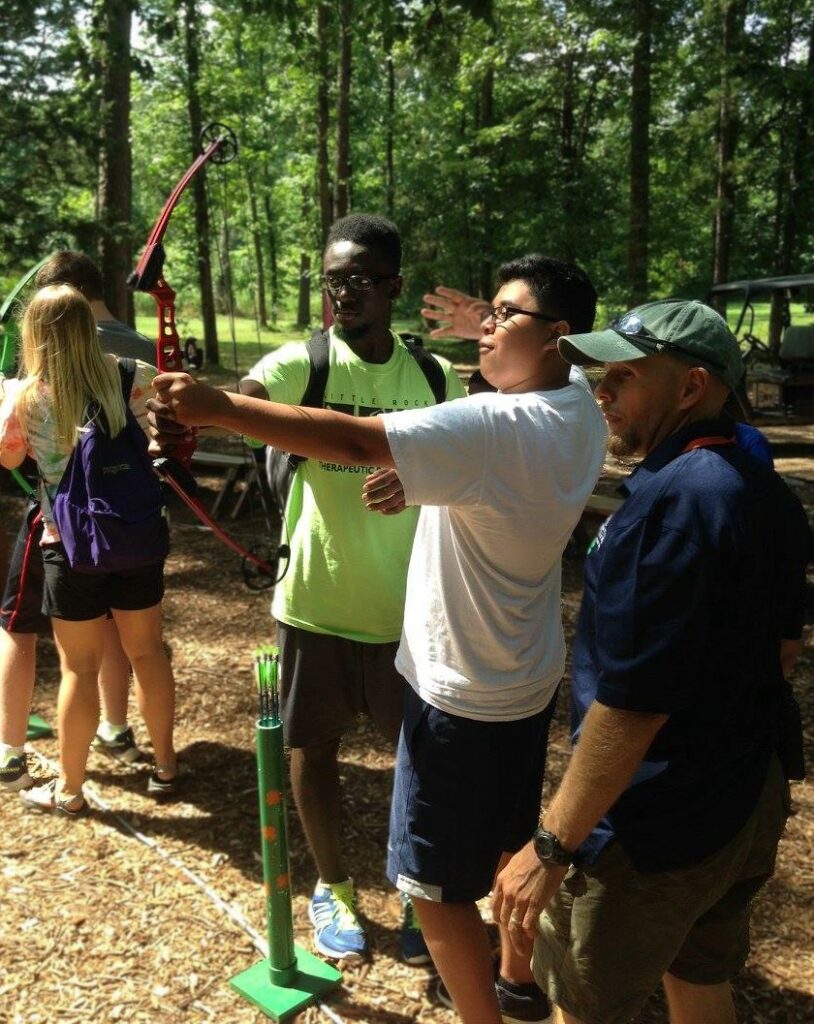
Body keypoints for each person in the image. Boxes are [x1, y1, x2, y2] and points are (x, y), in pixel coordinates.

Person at [147, 253, 607, 1022]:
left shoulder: (496, 423)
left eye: (504, 316)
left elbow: (357, 442)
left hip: (458, 693)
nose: (486, 327)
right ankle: (518, 978)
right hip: (525, 675)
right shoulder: (579, 404)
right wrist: (490, 336)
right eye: (485, 312)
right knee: (504, 842)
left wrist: (217, 408)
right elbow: (476, 451)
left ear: (557, 335)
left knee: (431, 894)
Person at [155, 213, 465, 962]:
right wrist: (194, 410)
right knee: (311, 749)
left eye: (358, 280)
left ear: (393, 286)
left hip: (407, 613)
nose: (341, 293)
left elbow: (462, 459)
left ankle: (422, 894)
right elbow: (247, 397)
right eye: (331, 280)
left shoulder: (433, 377)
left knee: (421, 764)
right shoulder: (305, 362)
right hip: (316, 605)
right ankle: (334, 887)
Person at [492, 299, 810, 1024]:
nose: (600, 391)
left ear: (692, 387)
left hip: (652, 829)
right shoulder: (765, 491)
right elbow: (784, 650)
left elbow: (634, 704)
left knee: (584, 1003)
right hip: (742, 801)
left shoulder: (672, 505)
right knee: (698, 975)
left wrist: (551, 844)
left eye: (624, 377)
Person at [0, 284, 179, 815]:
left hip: (70, 546)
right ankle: (166, 768)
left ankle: (72, 790)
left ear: (35, 334)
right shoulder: (131, 374)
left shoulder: (25, 395)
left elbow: (11, 461)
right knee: (147, 653)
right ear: (87, 326)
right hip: (137, 538)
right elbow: (165, 427)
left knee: (79, 667)